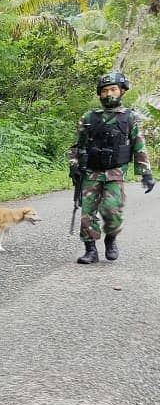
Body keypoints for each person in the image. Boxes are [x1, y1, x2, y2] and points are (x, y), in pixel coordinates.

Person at [69, 70, 154, 265]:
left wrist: (146, 173)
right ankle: (90, 250)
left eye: (113, 89)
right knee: (87, 212)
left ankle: (111, 239)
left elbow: (138, 145)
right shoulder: (89, 117)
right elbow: (77, 145)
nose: (109, 94)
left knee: (112, 210)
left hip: (115, 172)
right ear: (100, 93)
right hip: (91, 171)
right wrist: (73, 165)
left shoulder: (130, 118)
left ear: (122, 91)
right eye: (105, 90)